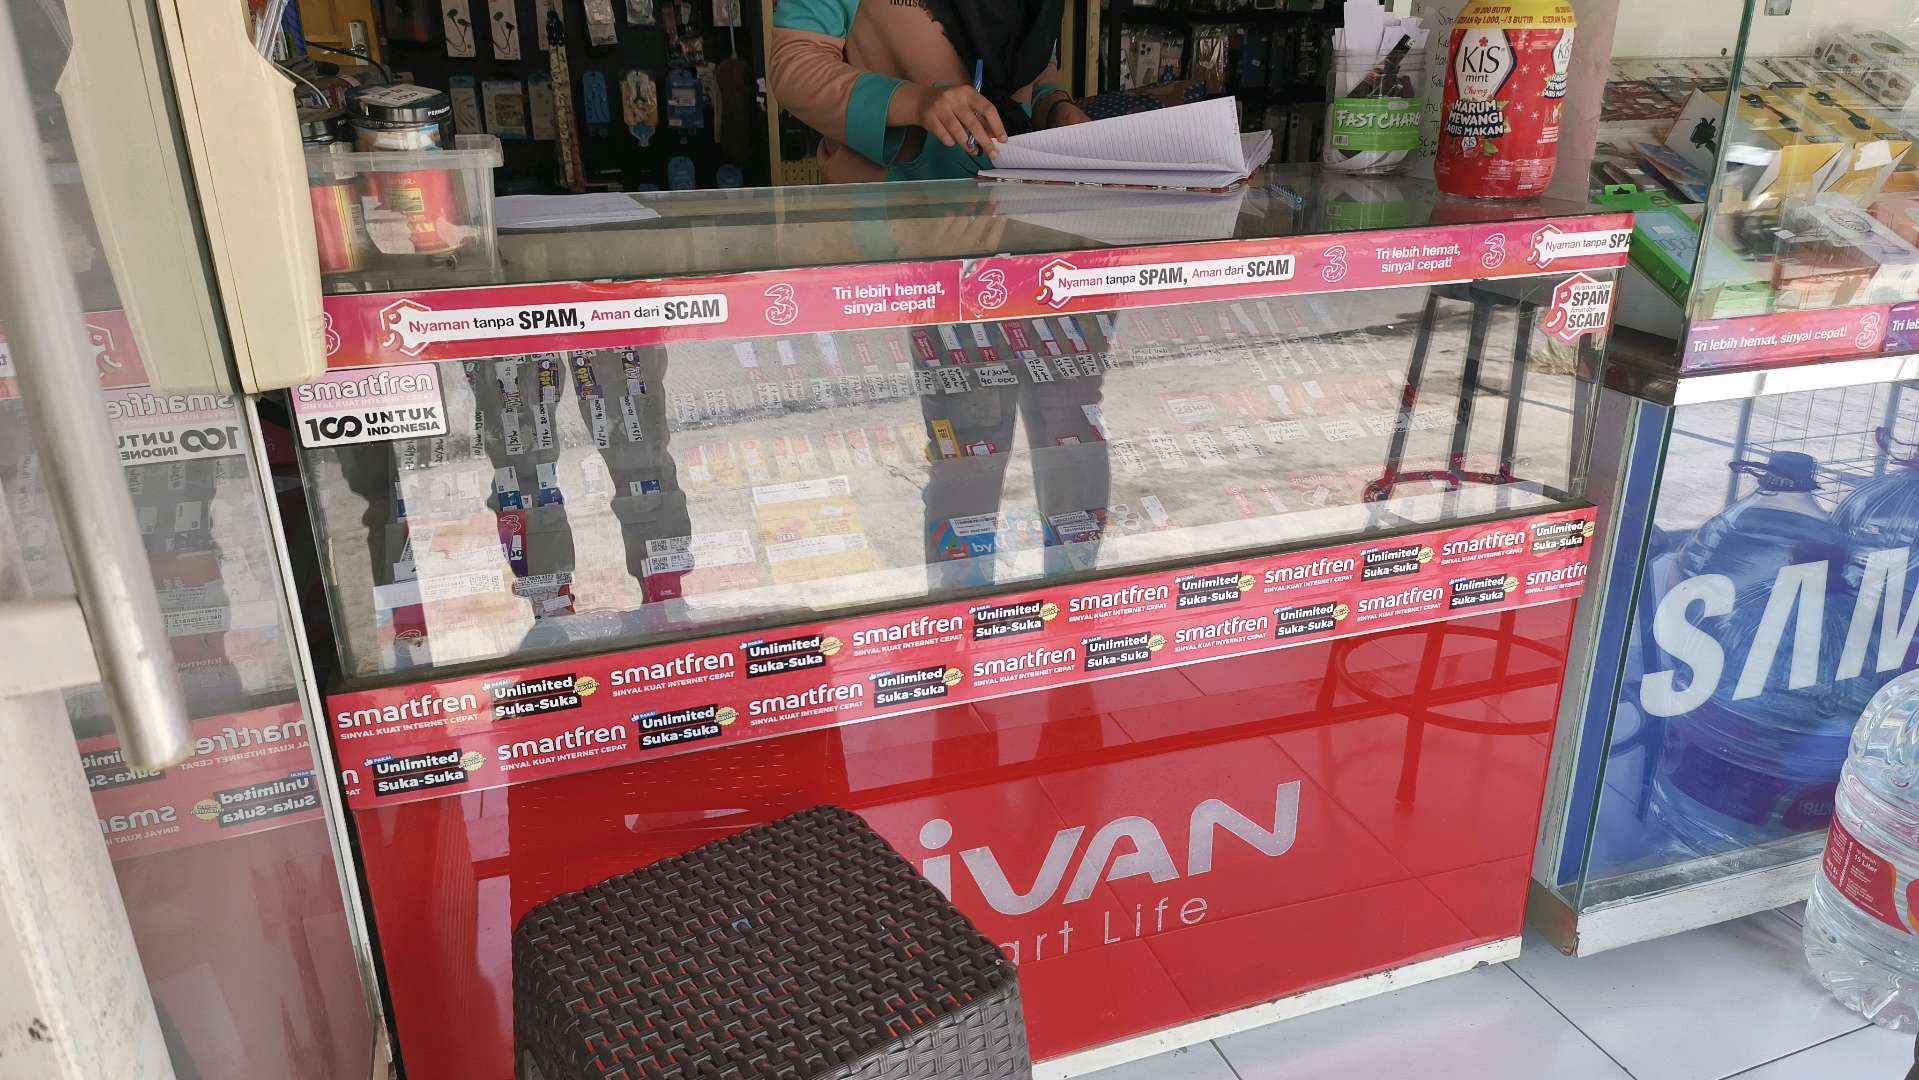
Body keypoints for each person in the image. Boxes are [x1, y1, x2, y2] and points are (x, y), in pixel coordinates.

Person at [769, 0, 1091, 183]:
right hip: (890, 219)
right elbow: (795, 65)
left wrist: (1054, 105)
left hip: (1016, 209)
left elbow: (1036, 63)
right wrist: (916, 102)